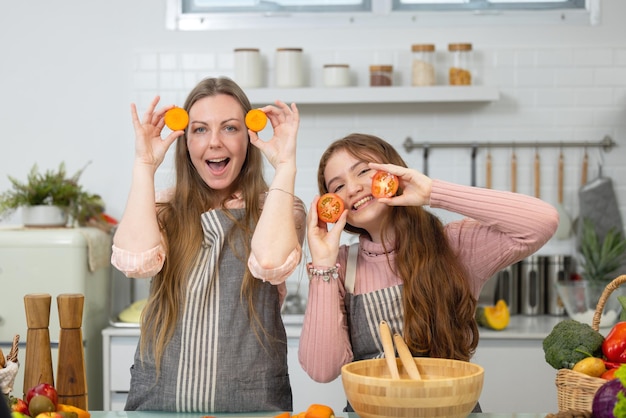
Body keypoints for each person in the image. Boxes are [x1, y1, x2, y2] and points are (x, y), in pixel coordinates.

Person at [299, 133, 559, 411]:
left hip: (452, 411)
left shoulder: (455, 245)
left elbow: (542, 222)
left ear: (393, 172)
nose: (351, 189)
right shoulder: (339, 267)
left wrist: (433, 192)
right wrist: (323, 264)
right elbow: (322, 370)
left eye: (363, 171)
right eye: (337, 187)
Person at [111, 77, 306, 413]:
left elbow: (272, 262)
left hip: (253, 401)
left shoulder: (279, 207)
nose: (214, 142)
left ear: (249, 138)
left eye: (229, 128)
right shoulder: (163, 209)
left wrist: (286, 165)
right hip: (161, 400)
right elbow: (134, 261)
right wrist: (144, 166)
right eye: (200, 130)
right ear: (185, 142)